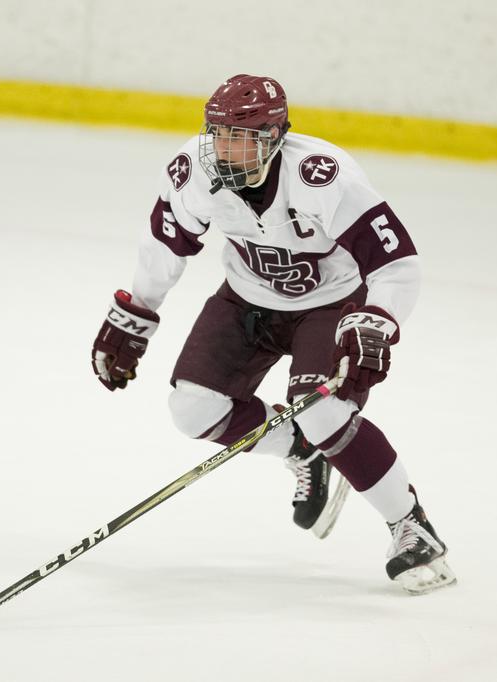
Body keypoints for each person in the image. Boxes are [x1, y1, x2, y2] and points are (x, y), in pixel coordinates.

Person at [90, 74, 455, 594]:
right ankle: (300, 449)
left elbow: (397, 263)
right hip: (246, 299)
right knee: (192, 410)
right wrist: (136, 314)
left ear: (276, 137)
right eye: (219, 135)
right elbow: (165, 245)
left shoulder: (323, 178)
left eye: (243, 138)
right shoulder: (192, 169)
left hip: (330, 303)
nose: (226, 150)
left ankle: (411, 526)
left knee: (323, 409)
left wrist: (374, 321)